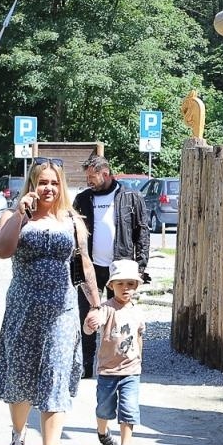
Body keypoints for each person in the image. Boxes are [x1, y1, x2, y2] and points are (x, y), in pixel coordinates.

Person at [0, 160, 103, 445]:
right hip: (24, 309)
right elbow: (0, 251)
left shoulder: (72, 220)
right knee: (20, 379)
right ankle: (17, 433)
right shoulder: (13, 218)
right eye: (42, 182)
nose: (48, 188)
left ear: (61, 185)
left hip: (62, 312)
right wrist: (20, 216)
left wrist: (95, 304)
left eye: (54, 182)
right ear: (31, 185)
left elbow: (84, 265)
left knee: (55, 376)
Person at [73, 155, 151, 377]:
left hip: (120, 268)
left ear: (105, 174)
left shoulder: (130, 197)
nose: (88, 181)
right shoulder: (83, 199)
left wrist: (140, 266)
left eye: (92, 177)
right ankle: (87, 366)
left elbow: (142, 232)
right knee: (87, 314)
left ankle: (118, 364)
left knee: (118, 317)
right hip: (91, 268)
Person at [84, 258, 146, 445]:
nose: (125, 288)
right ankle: (103, 432)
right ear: (111, 286)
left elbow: (139, 337)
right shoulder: (106, 309)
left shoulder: (137, 311)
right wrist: (89, 324)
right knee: (104, 409)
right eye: (120, 284)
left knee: (129, 408)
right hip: (108, 370)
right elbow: (90, 327)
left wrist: (139, 359)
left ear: (136, 286)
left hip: (131, 370)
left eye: (130, 284)